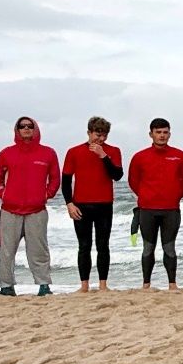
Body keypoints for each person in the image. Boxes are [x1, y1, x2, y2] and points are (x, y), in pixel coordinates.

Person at [0, 115, 59, 296]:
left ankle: (44, 285)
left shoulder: (48, 153)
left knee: (39, 250)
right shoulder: (6, 153)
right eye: (22, 126)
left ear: (35, 129)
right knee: (6, 250)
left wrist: (46, 195)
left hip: (36, 211)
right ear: (17, 130)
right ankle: (6, 287)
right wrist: (3, 194)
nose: (26, 129)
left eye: (30, 126)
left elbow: (55, 179)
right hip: (10, 210)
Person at [128, 119, 183, 289]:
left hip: (171, 209)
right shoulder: (140, 157)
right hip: (147, 210)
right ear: (151, 134)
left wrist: (174, 197)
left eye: (165, 132)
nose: (162, 135)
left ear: (169, 134)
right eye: (158, 132)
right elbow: (133, 181)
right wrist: (146, 196)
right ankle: (146, 284)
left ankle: (172, 284)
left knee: (169, 248)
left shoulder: (179, 156)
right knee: (148, 248)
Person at [61, 116, 123, 292]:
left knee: (103, 245)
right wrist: (69, 204)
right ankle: (84, 285)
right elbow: (66, 181)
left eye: (104, 135)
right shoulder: (74, 152)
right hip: (81, 205)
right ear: (89, 132)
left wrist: (103, 156)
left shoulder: (113, 151)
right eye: (97, 134)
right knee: (84, 246)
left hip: (104, 205)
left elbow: (117, 176)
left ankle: (103, 285)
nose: (101, 139)